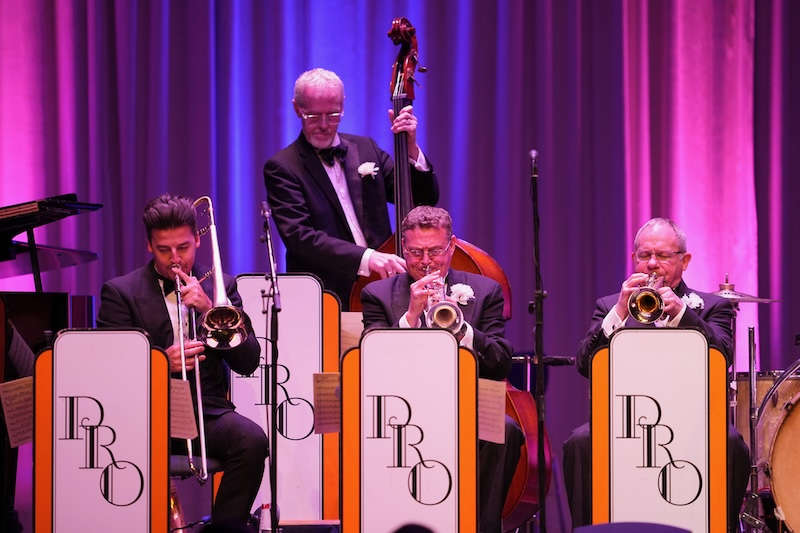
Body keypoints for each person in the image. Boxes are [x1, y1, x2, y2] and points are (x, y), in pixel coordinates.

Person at [563, 217, 750, 530]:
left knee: (732, 444)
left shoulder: (712, 306)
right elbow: (585, 363)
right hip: (626, 417)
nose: (652, 264)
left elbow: (723, 357)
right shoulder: (610, 305)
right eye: (644, 255)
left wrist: (681, 314)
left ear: (684, 260)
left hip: (693, 418)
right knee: (579, 443)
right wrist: (620, 312)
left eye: (662, 256)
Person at [97, 194, 268, 527]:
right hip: (146, 414)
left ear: (198, 240)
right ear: (149, 246)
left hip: (208, 413)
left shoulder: (223, 287)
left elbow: (248, 363)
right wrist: (161, 363)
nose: (175, 260)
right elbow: (109, 370)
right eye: (164, 250)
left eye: (184, 247)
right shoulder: (120, 292)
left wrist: (209, 309)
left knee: (253, 441)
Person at [361, 206, 523, 533]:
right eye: (417, 252)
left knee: (504, 429)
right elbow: (370, 364)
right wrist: (410, 316)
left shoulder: (485, 290)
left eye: (435, 251)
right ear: (403, 251)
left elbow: (501, 361)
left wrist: (462, 329)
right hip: (401, 408)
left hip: (469, 401)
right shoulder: (376, 294)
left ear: (451, 247)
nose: (426, 261)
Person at [264, 68, 439, 308]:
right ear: (297, 109)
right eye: (313, 116)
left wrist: (410, 148)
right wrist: (368, 258)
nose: (324, 125)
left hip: (384, 288)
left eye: (333, 114)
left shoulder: (366, 149)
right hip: (327, 295)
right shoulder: (283, 167)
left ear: (343, 106)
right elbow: (300, 238)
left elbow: (423, 199)